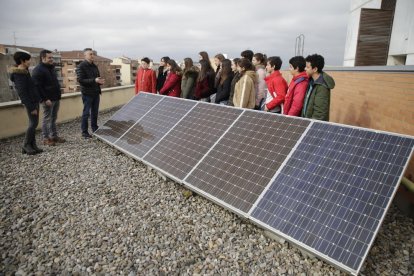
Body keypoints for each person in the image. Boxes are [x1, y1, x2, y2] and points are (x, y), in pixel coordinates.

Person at [9, 51, 42, 155]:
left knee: (34, 123)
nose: (30, 61)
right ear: (22, 61)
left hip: (34, 101)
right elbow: (22, 93)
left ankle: (33, 145)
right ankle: (26, 145)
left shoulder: (25, 71)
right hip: (30, 103)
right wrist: (31, 107)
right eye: (28, 60)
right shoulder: (19, 74)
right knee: (33, 124)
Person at [32, 49, 65, 146]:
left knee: (53, 118)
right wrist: (45, 99)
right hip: (47, 100)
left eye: (52, 57)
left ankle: (53, 136)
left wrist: (58, 95)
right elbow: (37, 87)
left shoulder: (51, 68)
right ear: (43, 58)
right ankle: (45, 138)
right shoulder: (38, 70)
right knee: (47, 119)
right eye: (49, 58)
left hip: (55, 98)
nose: (52, 59)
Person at [76, 48, 104, 139]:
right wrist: (94, 80)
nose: (92, 56)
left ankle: (95, 129)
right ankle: (84, 132)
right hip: (87, 94)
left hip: (96, 92)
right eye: (90, 54)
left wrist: (99, 81)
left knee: (95, 112)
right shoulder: (81, 66)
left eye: (93, 54)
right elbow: (81, 80)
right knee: (86, 113)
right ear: (85, 56)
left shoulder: (94, 66)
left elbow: (96, 78)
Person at [302, 54, 335, 121]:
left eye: (307, 67)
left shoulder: (322, 87)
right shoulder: (311, 82)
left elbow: (319, 114)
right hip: (307, 122)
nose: (305, 69)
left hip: (313, 125)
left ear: (315, 69)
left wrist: (311, 125)